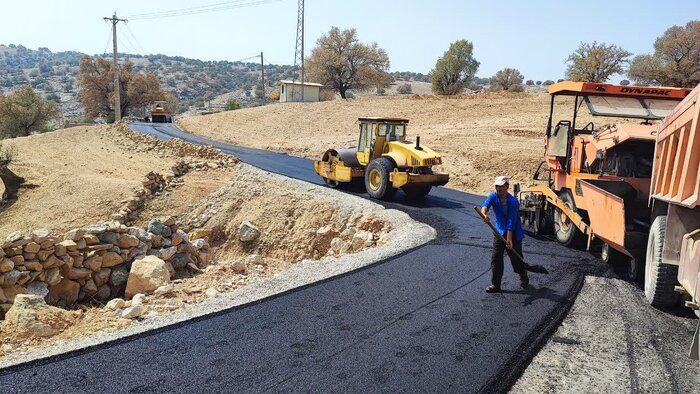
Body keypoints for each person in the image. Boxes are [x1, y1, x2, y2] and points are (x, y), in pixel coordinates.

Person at [480, 176, 528, 293]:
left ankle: (523, 274)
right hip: (499, 231)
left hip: (514, 232)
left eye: (501, 186)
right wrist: (484, 215)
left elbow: (511, 221)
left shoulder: (513, 202)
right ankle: (495, 284)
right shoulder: (493, 196)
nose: (498, 189)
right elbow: (485, 206)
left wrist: (509, 239)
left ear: (507, 186)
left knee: (515, 258)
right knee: (496, 257)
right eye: (496, 186)